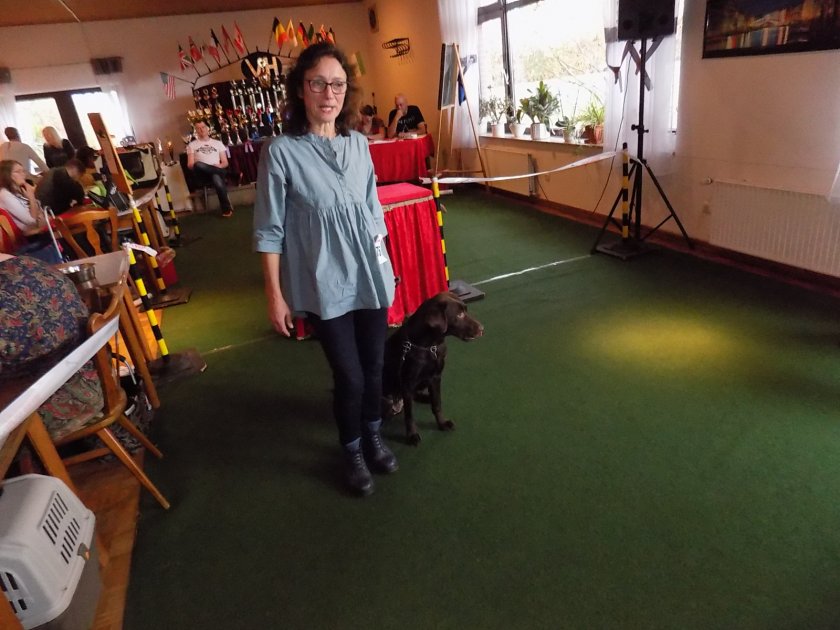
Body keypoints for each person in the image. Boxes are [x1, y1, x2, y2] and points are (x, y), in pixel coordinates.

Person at [253, 42, 398, 497]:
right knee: (349, 376)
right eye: (318, 83)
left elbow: (373, 212)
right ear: (301, 89)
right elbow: (269, 230)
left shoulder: (358, 144)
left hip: (370, 275)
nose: (329, 94)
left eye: (337, 84)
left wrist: (386, 266)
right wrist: (275, 295)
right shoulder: (281, 152)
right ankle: (351, 449)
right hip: (323, 283)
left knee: (374, 367)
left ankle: (373, 434)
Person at [186, 121, 234, 218]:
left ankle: (226, 209)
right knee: (198, 164)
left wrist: (218, 166)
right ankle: (230, 174)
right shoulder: (192, 145)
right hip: (201, 175)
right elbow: (190, 165)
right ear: (196, 131)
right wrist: (201, 166)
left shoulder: (218, 143)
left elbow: (225, 162)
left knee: (216, 177)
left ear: (207, 128)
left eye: (203, 127)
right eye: (198, 128)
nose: (201, 130)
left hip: (216, 172)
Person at [0, 159, 47, 232]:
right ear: (7, 175)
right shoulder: (5, 195)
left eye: (23, 171)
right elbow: (32, 221)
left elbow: (40, 210)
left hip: (39, 228)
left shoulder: (20, 190)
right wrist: (31, 197)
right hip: (30, 234)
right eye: (18, 172)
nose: (23, 174)